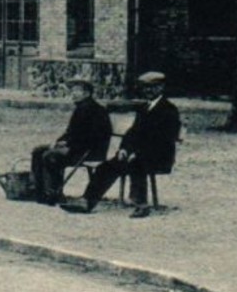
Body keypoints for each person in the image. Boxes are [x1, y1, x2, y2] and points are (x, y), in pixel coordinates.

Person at [64, 71, 181, 218]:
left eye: (153, 87)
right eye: (145, 88)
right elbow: (132, 133)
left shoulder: (169, 110)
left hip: (159, 156)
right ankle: (87, 201)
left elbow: (165, 139)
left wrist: (137, 153)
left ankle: (141, 205)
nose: (148, 91)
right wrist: (124, 149)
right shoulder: (144, 108)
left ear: (161, 88)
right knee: (106, 166)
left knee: (137, 165)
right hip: (137, 154)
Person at [30, 78, 112, 205]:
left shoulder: (97, 111)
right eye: (72, 90)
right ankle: (39, 192)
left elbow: (93, 137)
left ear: (87, 93)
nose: (73, 93)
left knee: (51, 156)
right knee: (38, 150)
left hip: (89, 151)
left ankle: (54, 193)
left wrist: (67, 144)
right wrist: (59, 142)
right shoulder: (80, 108)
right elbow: (70, 132)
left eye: (77, 91)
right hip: (76, 148)